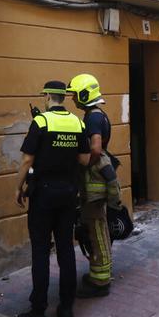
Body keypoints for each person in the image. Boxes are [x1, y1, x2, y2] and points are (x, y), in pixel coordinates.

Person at [15, 81, 91, 317]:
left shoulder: (41, 122)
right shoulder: (77, 123)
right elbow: (84, 159)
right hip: (68, 194)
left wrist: (18, 187)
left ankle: (38, 313)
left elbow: (27, 159)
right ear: (64, 98)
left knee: (40, 251)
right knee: (66, 250)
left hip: (43, 195)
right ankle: (67, 309)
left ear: (48, 96)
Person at [69, 73, 122, 298]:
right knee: (97, 228)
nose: (73, 99)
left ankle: (100, 281)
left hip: (94, 184)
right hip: (98, 183)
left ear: (84, 94)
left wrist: (83, 163)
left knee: (97, 229)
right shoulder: (99, 115)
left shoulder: (92, 118)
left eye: (75, 95)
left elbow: (96, 148)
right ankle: (99, 273)